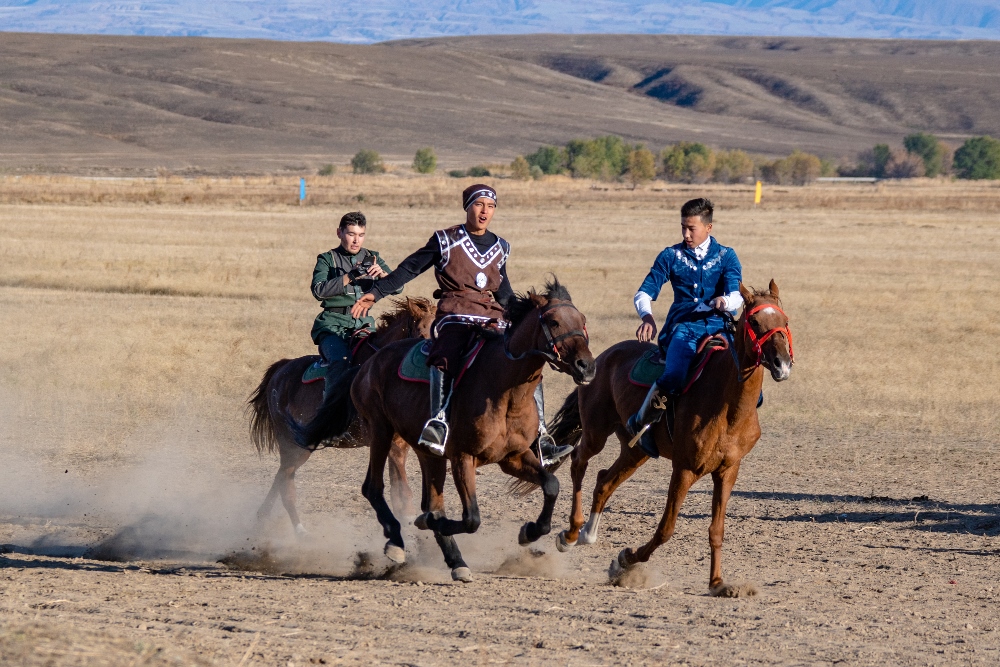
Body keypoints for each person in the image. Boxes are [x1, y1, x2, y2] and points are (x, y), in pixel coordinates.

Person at [351, 184, 572, 465]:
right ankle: (439, 422)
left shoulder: (500, 246)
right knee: (446, 354)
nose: (484, 212)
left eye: (490, 207)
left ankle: (540, 438)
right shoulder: (445, 240)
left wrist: (527, 315)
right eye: (479, 205)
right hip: (455, 314)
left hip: (492, 317)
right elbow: (410, 268)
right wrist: (377, 292)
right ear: (467, 206)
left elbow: (503, 292)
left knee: (527, 360)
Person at [626, 198, 744, 458]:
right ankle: (642, 422)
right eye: (682, 227)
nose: (686, 234)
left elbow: (737, 295)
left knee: (745, 375)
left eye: (691, 228)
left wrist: (725, 301)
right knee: (675, 375)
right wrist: (647, 317)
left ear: (708, 227)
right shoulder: (671, 256)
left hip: (720, 328)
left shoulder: (727, 256)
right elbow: (644, 293)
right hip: (684, 330)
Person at [311, 211, 396, 387]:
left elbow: (398, 287)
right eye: (351, 234)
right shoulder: (327, 259)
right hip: (332, 326)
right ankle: (331, 411)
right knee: (341, 361)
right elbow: (318, 291)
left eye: (361, 235)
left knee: (384, 362)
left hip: (364, 326)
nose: (356, 240)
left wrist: (383, 275)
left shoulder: (373, 257)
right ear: (339, 233)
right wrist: (350, 276)